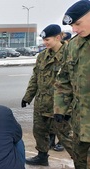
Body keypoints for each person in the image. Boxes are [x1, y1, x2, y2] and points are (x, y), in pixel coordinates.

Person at [22, 24, 74, 166]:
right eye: (43, 40)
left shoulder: (69, 54)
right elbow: (35, 78)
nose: (45, 43)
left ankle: (81, 161)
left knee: (64, 136)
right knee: (39, 131)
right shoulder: (42, 56)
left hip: (61, 105)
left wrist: (69, 109)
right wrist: (28, 96)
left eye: (48, 40)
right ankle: (42, 156)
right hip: (42, 103)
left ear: (58, 37)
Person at [55, 1, 90, 168]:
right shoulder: (73, 46)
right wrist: (60, 109)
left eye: (78, 23)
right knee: (80, 163)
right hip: (80, 124)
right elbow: (63, 80)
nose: (74, 29)